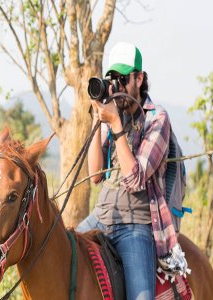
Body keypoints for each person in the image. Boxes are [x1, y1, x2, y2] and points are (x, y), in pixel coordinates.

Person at [76, 42, 188, 299]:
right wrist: (97, 118)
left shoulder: (157, 118)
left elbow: (135, 179)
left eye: (122, 79)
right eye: (111, 79)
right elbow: (95, 175)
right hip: (101, 216)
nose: (116, 85)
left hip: (136, 224)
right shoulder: (115, 115)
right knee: (57, 252)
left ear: (139, 78)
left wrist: (115, 123)